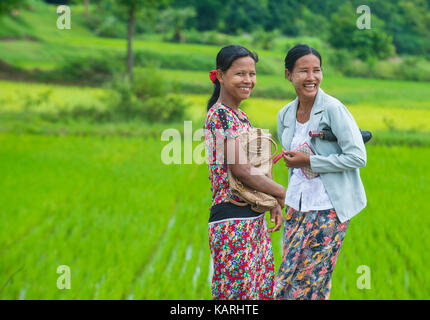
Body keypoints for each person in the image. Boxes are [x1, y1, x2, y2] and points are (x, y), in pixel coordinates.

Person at [274, 44, 367, 300]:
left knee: (305, 281)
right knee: (289, 276)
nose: (311, 77)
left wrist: (312, 161)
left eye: (316, 70)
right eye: (303, 71)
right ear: (288, 74)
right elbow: (292, 158)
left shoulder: (333, 109)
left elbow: (357, 156)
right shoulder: (285, 114)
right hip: (295, 207)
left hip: (328, 209)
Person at [204, 45, 286, 300]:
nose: (248, 80)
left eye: (252, 74)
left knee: (259, 294)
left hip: (252, 220)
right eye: (240, 74)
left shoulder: (241, 117)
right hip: (232, 222)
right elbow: (241, 170)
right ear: (220, 75)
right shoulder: (219, 116)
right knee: (237, 298)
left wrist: (271, 201)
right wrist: (283, 193)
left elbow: (257, 167)